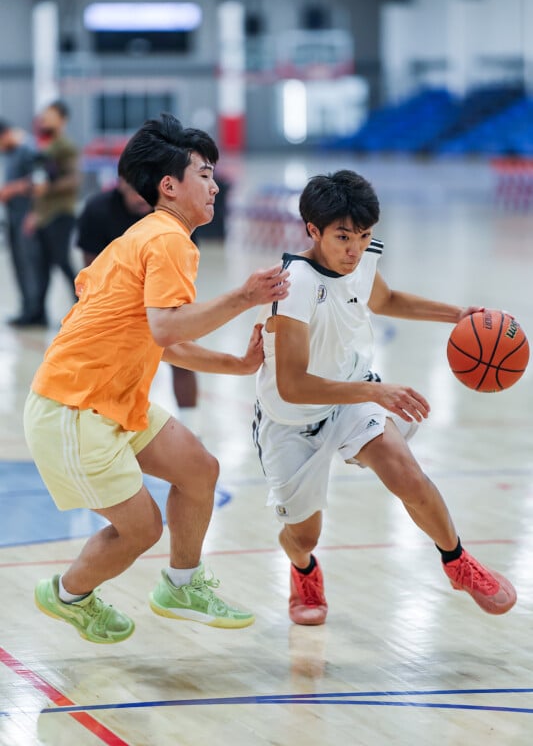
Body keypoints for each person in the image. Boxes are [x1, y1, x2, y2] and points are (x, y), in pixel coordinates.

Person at [24, 113, 290, 644]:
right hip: (75, 408)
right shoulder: (168, 240)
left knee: (198, 470)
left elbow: (162, 339)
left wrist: (236, 365)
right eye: (205, 174)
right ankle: (68, 593)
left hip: (114, 398)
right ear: (169, 186)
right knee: (141, 528)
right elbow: (166, 327)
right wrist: (245, 296)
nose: (216, 185)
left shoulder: (146, 236)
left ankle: (181, 585)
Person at [253, 169, 516, 626]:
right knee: (304, 536)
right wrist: (377, 390)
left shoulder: (362, 257)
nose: (354, 249)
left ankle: (456, 560)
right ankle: (303, 569)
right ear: (313, 231)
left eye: (364, 236)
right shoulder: (293, 286)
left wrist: (458, 314)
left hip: (352, 394)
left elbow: (386, 299)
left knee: (407, 474)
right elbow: (292, 383)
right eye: (342, 237)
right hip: (293, 419)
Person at [76, 177, 201, 431]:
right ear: (120, 183)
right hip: (114, 300)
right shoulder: (97, 209)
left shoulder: (171, 212)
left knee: (184, 353)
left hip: (163, 295)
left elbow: (184, 264)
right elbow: (89, 269)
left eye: (146, 193)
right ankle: (98, 420)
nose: (141, 199)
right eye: (134, 191)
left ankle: (192, 427)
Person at [24, 100, 81, 324]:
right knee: (42, 265)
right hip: (44, 214)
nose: (45, 119)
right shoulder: (44, 147)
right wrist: (34, 212)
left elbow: (73, 180)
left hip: (61, 213)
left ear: (62, 120)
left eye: (50, 115)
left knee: (62, 261)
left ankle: (82, 308)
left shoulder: (65, 147)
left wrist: (49, 187)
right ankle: (38, 312)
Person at [0, 119, 42, 326]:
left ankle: (35, 311)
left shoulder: (28, 148)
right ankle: (26, 308)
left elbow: (40, 179)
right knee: (17, 263)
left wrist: (12, 189)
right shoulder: (8, 153)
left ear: (6, 134)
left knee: (29, 264)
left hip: (28, 216)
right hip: (12, 217)